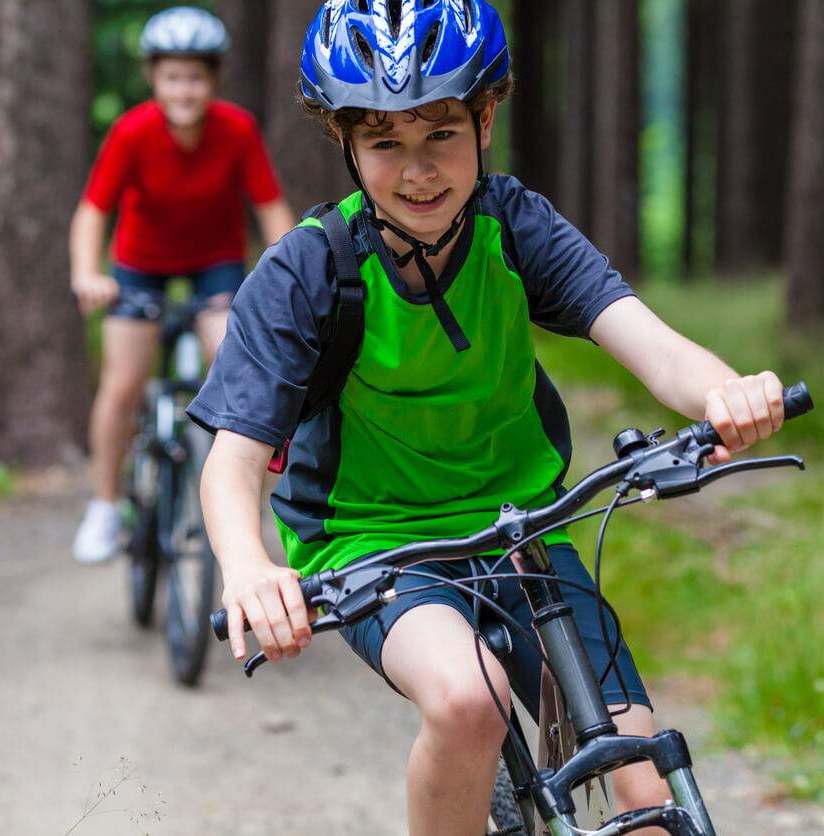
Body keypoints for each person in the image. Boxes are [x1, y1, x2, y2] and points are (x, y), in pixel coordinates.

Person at [189, 1, 786, 833]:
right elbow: (234, 459)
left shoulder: (516, 226)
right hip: (374, 546)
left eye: (441, 133)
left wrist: (726, 392)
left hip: (525, 528)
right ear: (345, 143)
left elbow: (653, 347)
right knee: (469, 701)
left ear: (486, 119)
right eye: (384, 143)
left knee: (645, 789)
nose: (418, 171)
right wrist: (249, 566)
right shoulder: (310, 269)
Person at [70, 6, 295, 564]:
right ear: (153, 77)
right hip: (139, 264)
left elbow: (271, 208)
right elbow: (93, 211)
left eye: (195, 77)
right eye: (172, 77)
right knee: (123, 382)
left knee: (236, 363)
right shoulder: (131, 132)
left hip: (214, 263)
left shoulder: (237, 130)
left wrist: (288, 272)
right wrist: (88, 274)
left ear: (214, 79)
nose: (183, 90)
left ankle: (240, 492)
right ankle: (104, 506)